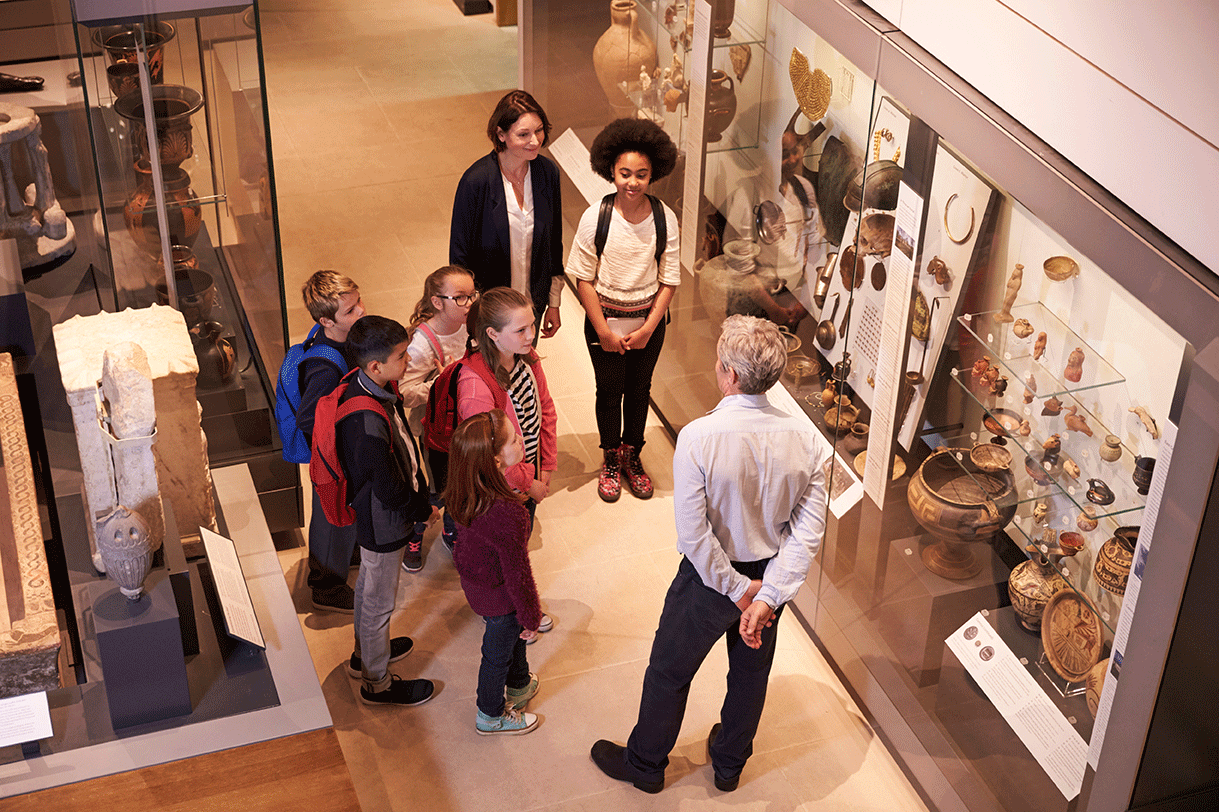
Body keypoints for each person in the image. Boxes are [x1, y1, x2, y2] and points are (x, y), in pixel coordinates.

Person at [590, 315, 829, 793]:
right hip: (768, 578)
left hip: (710, 579)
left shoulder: (700, 437)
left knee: (669, 670)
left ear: (731, 375)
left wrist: (738, 590)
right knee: (749, 675)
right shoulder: (809, 441)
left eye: (720, 361)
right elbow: (807, 532)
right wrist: (767, 596)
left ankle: (645, 764)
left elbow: (695, 536)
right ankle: (729, 766)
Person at [566, 118, 681, 503]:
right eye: (625, 174)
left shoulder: (665, 218)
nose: (632, 183)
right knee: (609, 391)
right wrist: (602, 331)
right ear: (610, 171)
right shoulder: (594, 218)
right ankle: (610, 458)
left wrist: (648, 327)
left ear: (654, 174)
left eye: (642, 175)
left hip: (648, 325)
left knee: (639, 391)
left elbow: (669, 279)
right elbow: (582, 278)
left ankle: (634, 456)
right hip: (604, 325)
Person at [337, 315, 439, 706]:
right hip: (384, 522)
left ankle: (364, 654)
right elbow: (389, 486)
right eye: (401, 356)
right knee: (380, 601)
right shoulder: (366, 420)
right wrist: (421, 509)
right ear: (375, 365)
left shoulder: (369, 387)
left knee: (369, 586)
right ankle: (376, 683)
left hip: (378, 518)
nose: (409, 361)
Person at [457, 287, 557, 638]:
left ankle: (515, 607)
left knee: (518, 546)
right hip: (503, 491)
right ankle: (510, 614)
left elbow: (546, 412)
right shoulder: (475, 387)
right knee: (506, 558)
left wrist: (545, 468)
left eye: (532, 326)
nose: (531, 336)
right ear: (492, 334)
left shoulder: (526, 358)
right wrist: (530, 486)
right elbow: (490, 458)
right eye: (521, 330)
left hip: (527, 479)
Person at [446, 410, 543, 735]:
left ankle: (519, 686)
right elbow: (519, 574)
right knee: (496, 655)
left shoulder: (466, 490)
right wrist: (531, 615)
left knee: (508, 641)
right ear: (497, 461)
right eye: (514, 438)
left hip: (478, 585)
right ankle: (489, 715)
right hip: (500, 597)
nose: (520, 439)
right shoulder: (507, 514)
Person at [450, 90, 565, 338]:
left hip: (532, 306)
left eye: (539, 130)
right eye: (523, 134)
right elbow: (459, 257)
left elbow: (554, 244)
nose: (535, 141)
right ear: (501, 135)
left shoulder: (547, 173)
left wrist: (554, 302)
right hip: (490, 312)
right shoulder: (475, 182)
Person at [399, 265, 477, 570]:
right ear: (436, 302)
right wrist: (441, 381)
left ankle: (451, 530)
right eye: (460, 298)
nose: (469, 303)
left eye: (471, 295)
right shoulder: (421, 344)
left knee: (462, 485)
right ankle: (415, 537)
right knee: (435, 489)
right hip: (434, 432)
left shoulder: (471, 324)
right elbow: (404, 393)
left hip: (466, 422)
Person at [299, 269, 365, 613]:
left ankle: (346, 556)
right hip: (332, 457)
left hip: (345, 450)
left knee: (343, 515)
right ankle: (326, 585)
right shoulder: (325, 366)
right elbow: (309, 418)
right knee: (330, 517)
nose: (361, 312)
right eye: (351, 311)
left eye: (358, 304)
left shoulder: (343, 340)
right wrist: (335, 449)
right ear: (327, 320)